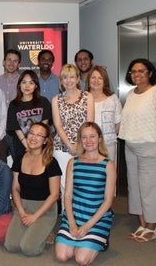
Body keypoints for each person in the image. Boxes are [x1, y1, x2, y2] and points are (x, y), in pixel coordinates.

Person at [118, 58, 156, 243]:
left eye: (141, 71)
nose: (136, 74)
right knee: (134, 187)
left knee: (150, 188)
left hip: (152, 147)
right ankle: (143, 224)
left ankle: (152, 228)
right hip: (131, 147)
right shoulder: (131, 94)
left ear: (150, 73)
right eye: (133, 71)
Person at [55, 122, 116, 265]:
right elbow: (68, 196)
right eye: (84, 137)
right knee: (62, 256)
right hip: (75, 214)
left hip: (97, 218)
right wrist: (71, 223)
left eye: (92, 136)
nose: (88, 141)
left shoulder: (108, 165)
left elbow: (108, 201)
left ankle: (100, 238)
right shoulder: (73, 162)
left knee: (81, 259)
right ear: (80, 140)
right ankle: (82, 241)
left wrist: (87, 226)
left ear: (100, 138)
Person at [4, 122, 61, 257]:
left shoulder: (51, 163)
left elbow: (54, 195)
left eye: (39, 135)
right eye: (31, 133)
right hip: (23, 207)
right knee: (11, 245)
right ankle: (34, 230)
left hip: (44, 210)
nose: (33, 137)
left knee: (28, 248)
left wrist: (35, 216)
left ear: (45, 140)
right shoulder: (19, 158)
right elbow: (15, 188)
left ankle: (47, 232)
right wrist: (22, 212)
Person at [52, 64, 94, 207]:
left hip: (84, 145)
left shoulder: (88, 96)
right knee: (64, 185)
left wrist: (79, 145)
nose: (68, 80)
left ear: (77, 79)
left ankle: (81, 215)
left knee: (82, 182)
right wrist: (70, 145)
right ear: (61, 81)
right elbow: (57, 125)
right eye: (65, 77)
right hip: (62, 148)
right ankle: (66, 216)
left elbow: (89, 123)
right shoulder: (56, 99)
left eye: (71, 77)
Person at [6, 70, 52, 160]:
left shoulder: (44, 102)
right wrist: (28, 146)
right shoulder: (13, 105)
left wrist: (36, 147)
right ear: (19, 85)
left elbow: (44, 126)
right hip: (21, 147)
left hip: (40, 146)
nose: (27, 86)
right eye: (24, 82)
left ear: (36, 86)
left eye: (31, 83)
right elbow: (16, 129)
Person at [86, 65, 122, 163]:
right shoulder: (82, 99)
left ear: (105, 81)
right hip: (87, 145)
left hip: (108, 145)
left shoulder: (113, 99)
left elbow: (118, 123)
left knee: (108, 174)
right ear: (88, 80)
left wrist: (105, 138)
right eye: (93, 77)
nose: (96, 81)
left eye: (100, 78)